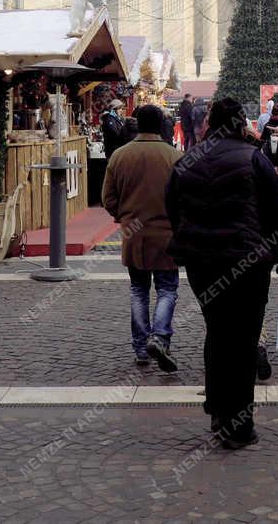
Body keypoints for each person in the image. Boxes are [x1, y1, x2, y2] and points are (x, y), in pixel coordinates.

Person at [167, 96, 278, 449]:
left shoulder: (187, 161)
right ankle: (239, 425)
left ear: (210, 123)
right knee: (243, 341)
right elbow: (277, 210)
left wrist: (190, 236)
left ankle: (217, 411)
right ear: (242, 122)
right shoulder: (254, 159)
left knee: (217, 330)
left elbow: (173, 208)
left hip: (202, 263)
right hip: (247, 262)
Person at [102, 103, 182, 371]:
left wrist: (124, 216)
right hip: (166, 234)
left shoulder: (120, 156)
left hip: (133, 233)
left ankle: (140, 347)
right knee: (167, 289)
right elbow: (185, 199)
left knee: (138, 290)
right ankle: (159, 336)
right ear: (161, 125)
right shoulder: (174, 157)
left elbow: (108, 199)